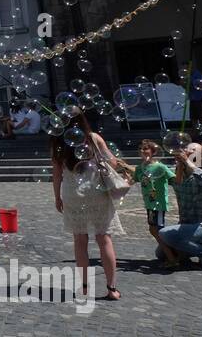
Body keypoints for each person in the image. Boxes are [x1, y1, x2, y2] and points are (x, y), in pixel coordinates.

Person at [51, 112, 126, 301]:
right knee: (104, 239)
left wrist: (57, 197)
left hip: (72, 195)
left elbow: (57, 174)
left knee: (80, 240)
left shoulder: (58, 142)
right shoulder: (92, 138)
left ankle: (84, 289)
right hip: (97, 192)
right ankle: (111, 289)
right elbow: (113, 163)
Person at [157, 142, 202, 270]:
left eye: (192, 150)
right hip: (187, 226)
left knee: (165, 234)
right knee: (161, 254)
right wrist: (180, 165)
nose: (186, 151)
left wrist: (187, 161)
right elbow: (176, 183)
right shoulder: (180, 176)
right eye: (186, 148)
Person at [133, 139, 179, 267]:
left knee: (157, 230)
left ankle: (172, 258)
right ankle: (171, 255)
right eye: (141, 149)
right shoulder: (140, 167)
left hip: (158, 204)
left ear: (153, 152)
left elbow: (174, 178)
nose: (143, 151)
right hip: (149, 204)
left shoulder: (160, 166)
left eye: (146, 149)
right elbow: (135, 178)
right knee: (154, 229)